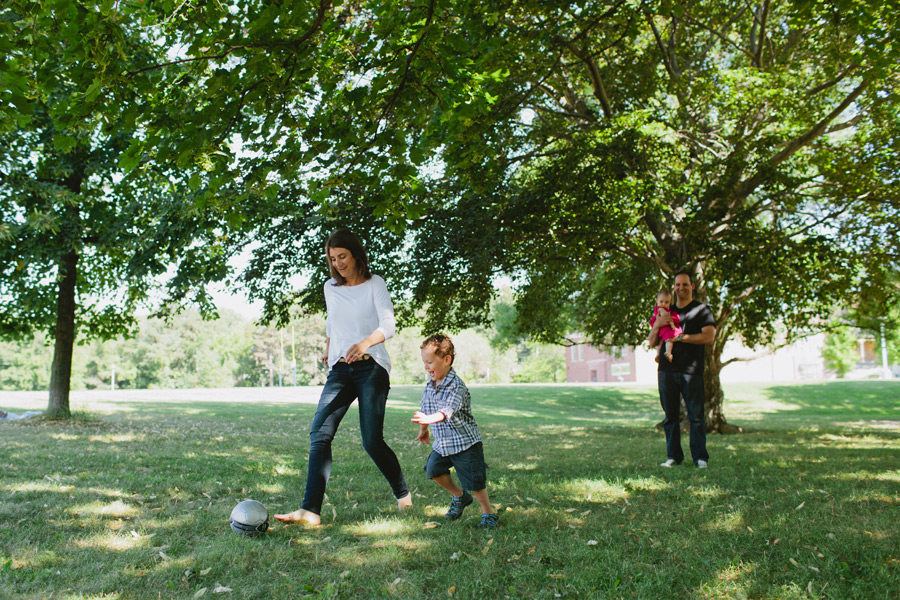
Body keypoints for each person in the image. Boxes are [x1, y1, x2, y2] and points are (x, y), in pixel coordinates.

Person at [275, 229, 411, 526]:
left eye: (342, 256)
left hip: (371, 366)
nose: (337, 263)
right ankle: (310, 510)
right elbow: (332, 323)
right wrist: (329, 349)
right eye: (332, 258)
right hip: (339, 368)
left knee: (371, 441)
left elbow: (389, 324)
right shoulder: (330, 287)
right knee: (319, 433)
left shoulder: (375, 284)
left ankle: (403, 494)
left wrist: (364, 343)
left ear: (355, 254)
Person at [411, 334, 499, 529]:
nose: (426, 367)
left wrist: (429, 419)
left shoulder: (456, 386)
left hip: (465, 443)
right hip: (443, 444)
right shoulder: (430, 386)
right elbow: (425, 407)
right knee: (433, 470)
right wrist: (424, 428)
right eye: (424, 363)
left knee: (475, 482)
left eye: (429, 362)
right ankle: (459, 497)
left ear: (446, 360)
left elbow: (446, 411)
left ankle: (488, 513)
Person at [647, 271, 716, 469]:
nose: (681, 288)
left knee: (695, 416)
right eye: (677, 284)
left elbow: (709, 337)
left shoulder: (702, 310)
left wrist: (680, 338)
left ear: (692, 286)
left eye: (685, 284)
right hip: (666, 371)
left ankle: (700, 458)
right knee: (670, 417)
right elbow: (652, 342)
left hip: (691, 371)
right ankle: (673, 457)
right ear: (674, 286)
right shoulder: (665, 309)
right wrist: (657, 325)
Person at [649, 289, 683, 363]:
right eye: (661, 302)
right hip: (665, 328)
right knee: (669, 340)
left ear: (670, 302)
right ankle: (668, 352)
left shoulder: (664, 309)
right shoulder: (661, 309)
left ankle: (658, 354)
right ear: (657, 300)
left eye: (666, 302)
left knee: (661, 342)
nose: (664, 304)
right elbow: (667, 318)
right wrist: (673, 325)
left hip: (663, 328)